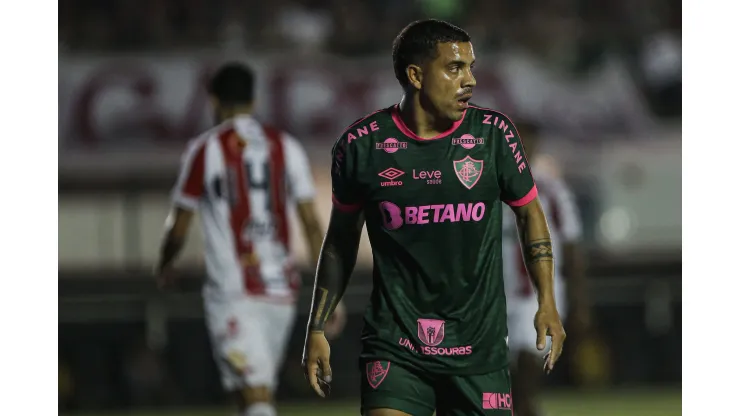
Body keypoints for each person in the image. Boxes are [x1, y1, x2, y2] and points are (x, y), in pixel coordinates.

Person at [301, 19, 566, 416]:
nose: (470, 80)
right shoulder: (361, 146)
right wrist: (317, 325)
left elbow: (530, 214)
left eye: (471, 67)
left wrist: (548, 301)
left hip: (478, 346)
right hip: (395, 344)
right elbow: (340, 240)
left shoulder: (494, 135)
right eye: (455, 68)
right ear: (416, 75)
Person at [154, 62, 346, 416]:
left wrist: (165, 263)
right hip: (281, 292)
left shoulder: (205, 148)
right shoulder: (286, 147)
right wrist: (329, 293)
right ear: (254, 101)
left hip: (233, 290)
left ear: (214, 101)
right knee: (250, 396)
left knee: (255, 395)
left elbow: (178, 224)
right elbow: (312, 225)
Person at [503, 121, 591, 416]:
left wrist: (578, 301)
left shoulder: (551, 190)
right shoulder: (485, 185)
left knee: (528, 364)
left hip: (536, 297)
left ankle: (526, 406)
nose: (521, 147)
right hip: (493, 295)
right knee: (497, 377)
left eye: (526, 142)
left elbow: (572, 247)